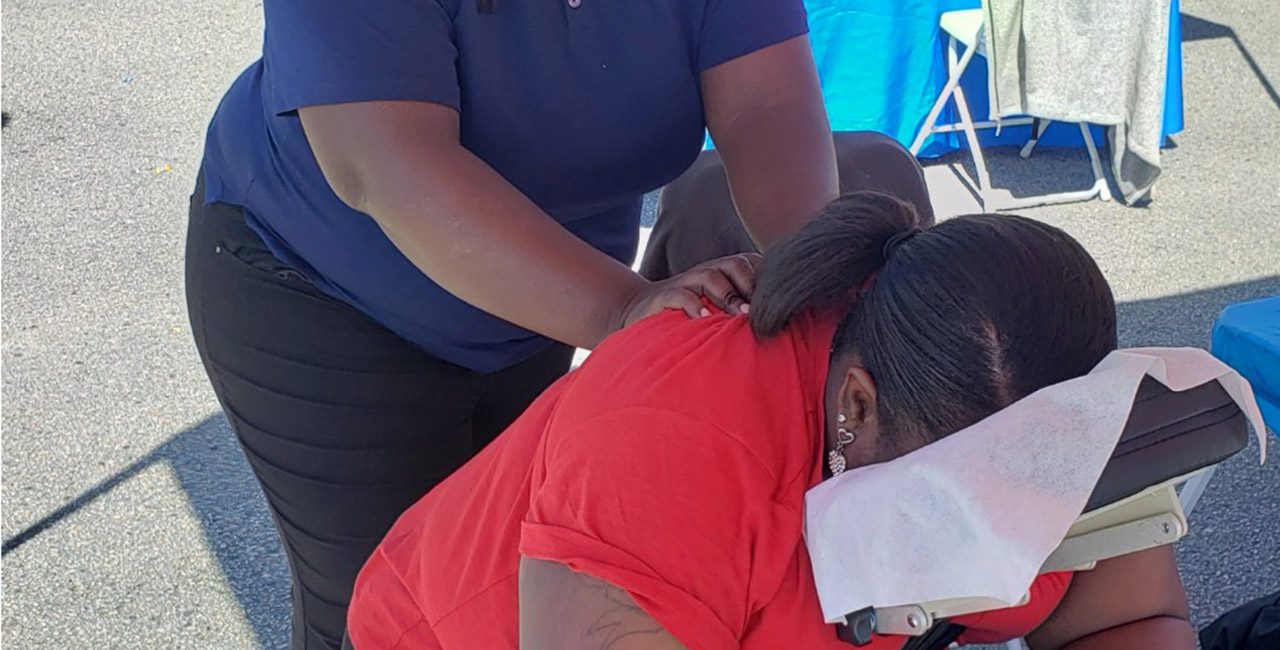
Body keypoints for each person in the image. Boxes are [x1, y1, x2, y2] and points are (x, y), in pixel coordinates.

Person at [184, 0, 838, 647]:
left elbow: (765, 107)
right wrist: (622, 309)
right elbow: (386, 164)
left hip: (542, 303)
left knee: (495, 592)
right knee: (378, 610)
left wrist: (829, 276)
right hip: (322, 295)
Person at [344, 192, 1196, 649]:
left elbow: (1131, 621)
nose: (1005, 549)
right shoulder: (668, 448)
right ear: (855, 406)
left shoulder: (1050, 419)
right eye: (955, 511)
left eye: (1036, 502)